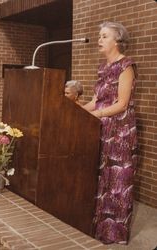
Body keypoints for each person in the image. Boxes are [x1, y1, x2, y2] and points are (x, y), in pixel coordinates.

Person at [83, 21, 138, 245]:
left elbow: (122, 104)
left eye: (104, 36)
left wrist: (96, 115)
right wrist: (73, 109)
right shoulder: (102, 68)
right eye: (100, 36)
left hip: (120, 131)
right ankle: (101, 231)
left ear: (117, 40)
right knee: (102, 180)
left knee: (117, 183)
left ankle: (115, 234)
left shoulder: (126, 66)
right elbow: (96, 101)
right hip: (103, 128)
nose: (99, 40)